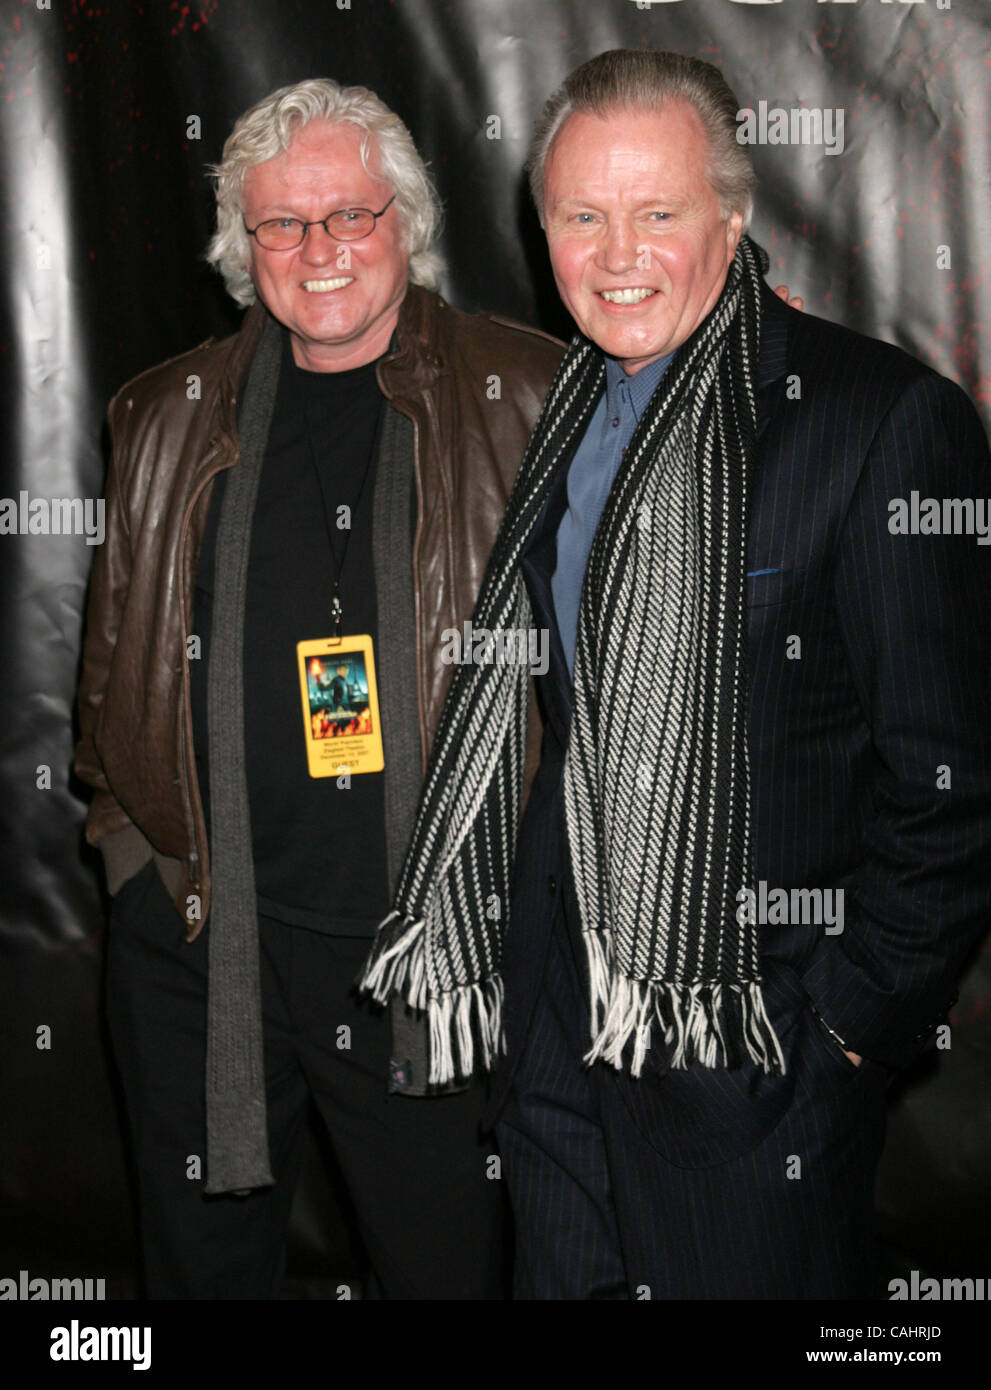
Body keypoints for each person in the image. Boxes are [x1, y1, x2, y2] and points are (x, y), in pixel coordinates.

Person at [360, 50, 991, 1299]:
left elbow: (953, 789)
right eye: (581, 217)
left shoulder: (877, 420)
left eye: (658, 212)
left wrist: (843, 1040)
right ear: (542, 233)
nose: (616, 252)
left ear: (735, 219)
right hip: (555, 1035)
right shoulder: (567, 416)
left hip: (750, 1058)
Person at [73, 77, 563, 1299]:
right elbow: (108, 677)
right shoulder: (163, 414)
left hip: (438, 960)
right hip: (205, 946)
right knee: (201, 1273)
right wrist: (137, 858)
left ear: (406, 222)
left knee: (450, 1269)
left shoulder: (532, 395)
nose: (319, 250)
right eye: (282, 226)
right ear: (244, 249)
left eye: (349, 214)